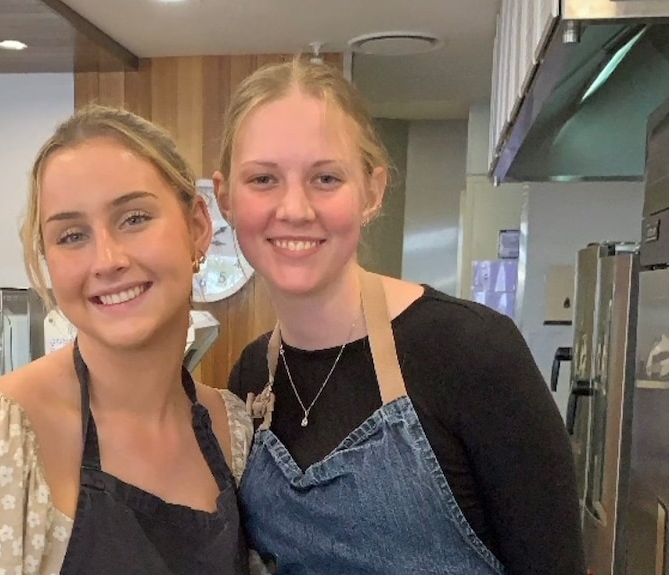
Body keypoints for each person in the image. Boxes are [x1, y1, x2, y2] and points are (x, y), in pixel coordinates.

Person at [215, 58, 586, 575]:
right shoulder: (253, 376)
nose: (294, 208)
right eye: (263, 179)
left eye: (325, 177)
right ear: (225, 197)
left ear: (372, 191)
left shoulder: (473, 352)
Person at [0, 104, 253, 575]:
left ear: (198, 225)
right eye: (72, 235)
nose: (107, 259)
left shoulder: (231, 431)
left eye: (134, 218)